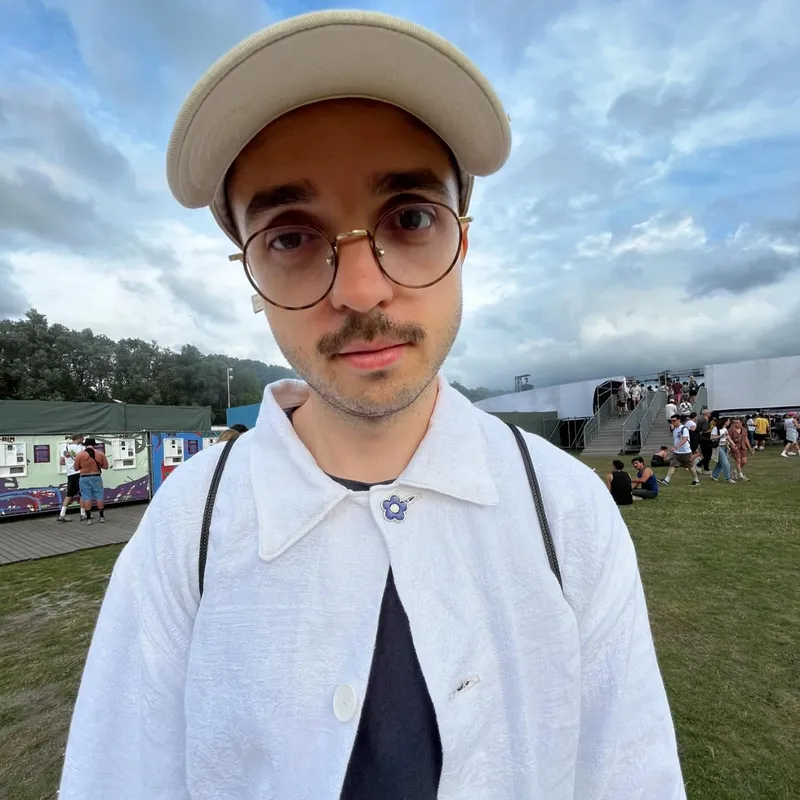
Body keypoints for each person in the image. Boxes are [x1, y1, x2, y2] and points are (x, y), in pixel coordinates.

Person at [59, 12, 684, 800]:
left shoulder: (568, 515)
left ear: (465, 239)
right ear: (251, 278)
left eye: (410, 218)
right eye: (291, 237)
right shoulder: (188, 528)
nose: (360, 291)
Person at [73, 437, 109, 524]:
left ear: (85, 445)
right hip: (96, 476)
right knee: (99, 496)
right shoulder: (100, 454)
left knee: (86, 497)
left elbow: (76, 468)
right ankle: (101, 517)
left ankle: (88, 519)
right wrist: (97, 465)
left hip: (84, 477)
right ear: (94, 444)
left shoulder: (80, 455)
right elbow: (106, 466)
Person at [660, 415, 701, 487]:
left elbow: (684, 440)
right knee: (672, 465)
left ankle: (696, 480)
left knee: (690, 466)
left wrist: (676, 447)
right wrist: (675, 448)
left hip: (685, 451)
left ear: (679, 420)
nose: (672, 422)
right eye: (671, 421)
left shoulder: (684, 429)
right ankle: (667, 480)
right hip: (677, 452)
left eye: (674, 421)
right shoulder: (675, 429)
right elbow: (677, 440)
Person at [57, 434, 85, 523]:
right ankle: (83, 514)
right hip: (79, 473)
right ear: (79, 438)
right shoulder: (80, 448)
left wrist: (69, 464)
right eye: (82, 438)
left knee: (69, 495)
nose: (83, 439)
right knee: (83, 494)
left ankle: (62, 515)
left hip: (70, 474)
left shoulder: (65, 448)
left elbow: (61, 462)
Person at [696, 410, 714, 475]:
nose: (710, 414)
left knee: (706, 455)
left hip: (701, 440)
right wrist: (711, 430)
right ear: (707, 414)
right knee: (708, 455)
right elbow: (704, 431)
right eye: (709, 413)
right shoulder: (705, 421)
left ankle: (706, 469)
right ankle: (699, 465)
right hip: (705, 440)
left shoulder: (701, 420)